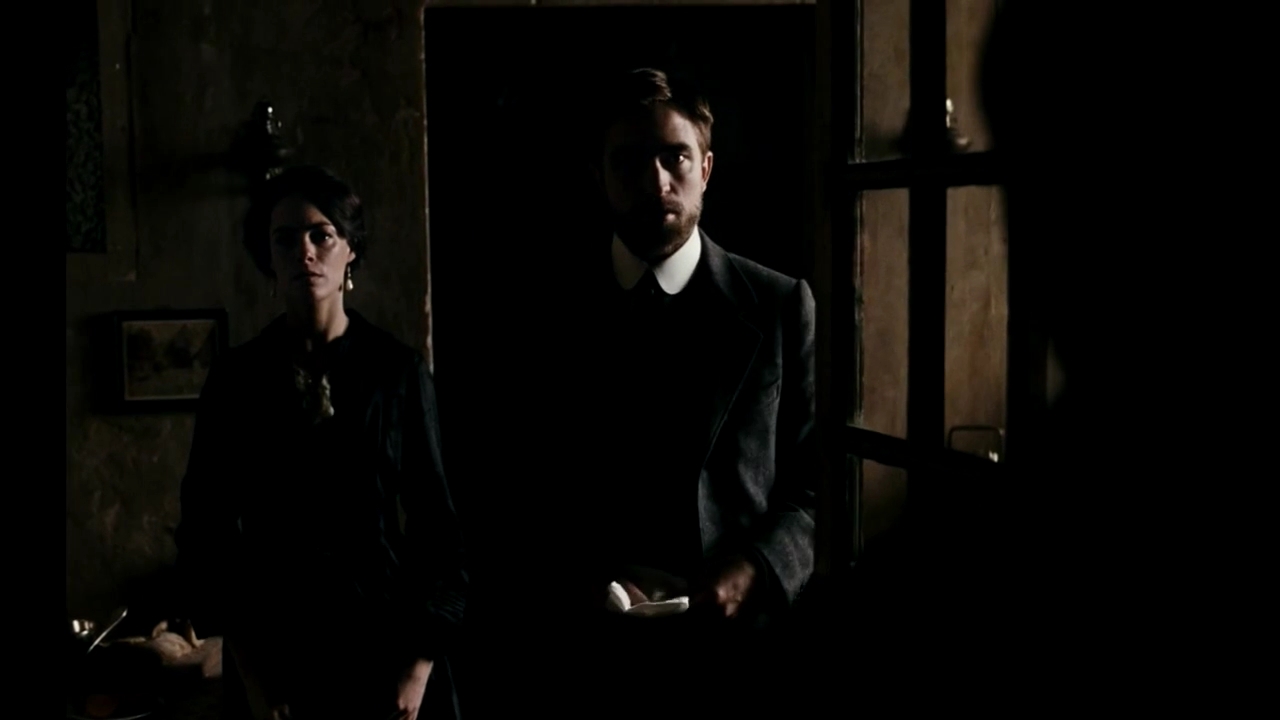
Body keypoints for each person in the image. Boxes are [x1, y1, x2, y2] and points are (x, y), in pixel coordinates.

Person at [511, 67, 818, 717]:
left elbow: (816, 481)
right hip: (582, 658)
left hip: (741, 655)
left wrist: (754, 570)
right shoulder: (544, 313)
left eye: (674, 157)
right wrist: (576, 580)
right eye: (629, 162)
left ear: (705, 167)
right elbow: (513, 477)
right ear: (598, 176)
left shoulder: (779, 305)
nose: (656, 182)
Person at [173, 165, 467, 720]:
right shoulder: (237, 380)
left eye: (321, 235)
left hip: (387, 647)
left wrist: (417, 669)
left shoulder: (397, 373)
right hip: (278, 654)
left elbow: (439, 530)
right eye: (285, 239)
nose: (304, 252)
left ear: (349, 249)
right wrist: (253, 675)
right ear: (268, 256)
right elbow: (207, 535)